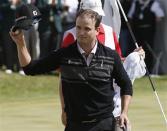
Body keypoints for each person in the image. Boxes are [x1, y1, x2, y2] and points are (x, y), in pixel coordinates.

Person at [10, 9, 133, 131]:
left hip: (104, 124)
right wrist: (20, 43)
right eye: (78, 27)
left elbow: (126, 84)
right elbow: (30, 68)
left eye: (87, 29)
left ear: (97, 30)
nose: (81, 32)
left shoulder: (111, 56)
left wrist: (124, 112)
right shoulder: (64, 54)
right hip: (75, 125)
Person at [60, 0, 146, 131]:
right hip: (82, 109)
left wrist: (133, 57)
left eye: (98, 15)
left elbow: (117, 63)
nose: (97, 18)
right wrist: (64, 109)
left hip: (111, 104)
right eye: (93, 14)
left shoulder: (110, 31)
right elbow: (63, 78)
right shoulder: (71, 36)